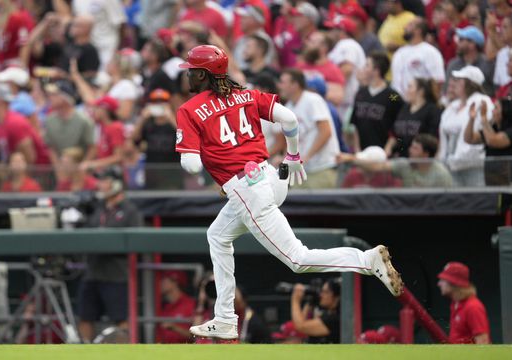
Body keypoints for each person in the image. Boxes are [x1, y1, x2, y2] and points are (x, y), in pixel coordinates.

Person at [175, 44, 403, 341]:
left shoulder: (189, 109)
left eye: (192, 70)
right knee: (217, 236)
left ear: (203, 75)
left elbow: (191, 165)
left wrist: (203, 152)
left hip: (247, 189)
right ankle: (225, 317)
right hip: (270, 176)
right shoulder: (246, 93)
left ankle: (365, 260)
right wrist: (294, 156)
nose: (187, 76)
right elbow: (290, 120)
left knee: (298, 259)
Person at [77, 166, 143, 343]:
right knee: (85, 316)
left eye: (104, 181)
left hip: (117, 275)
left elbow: (137, 241)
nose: (99, 185)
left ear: (116, 184)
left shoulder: (130, 211)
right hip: (92, 272)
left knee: (121, 319)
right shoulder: (97, 208)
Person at [278, 68, 340, 189]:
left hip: (321, 168)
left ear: (295, 85)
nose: (279, 86)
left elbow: (326, 131)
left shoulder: (312, 100)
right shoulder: (288, 107)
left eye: (283, 82)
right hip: (301, 171)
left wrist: (306, 156)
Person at [438, 66, 492, 186]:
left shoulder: (482, 101)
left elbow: (480, 134)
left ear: (469, 83)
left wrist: (460, 159)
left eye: (459, 80)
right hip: (449, 167)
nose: (454, 83)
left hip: (472, 167)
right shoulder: (453, 106)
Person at [338, 135, 454, 188]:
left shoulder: (441, 174)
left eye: (415, 148)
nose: (410, 150)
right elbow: (378, 167)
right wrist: (352, 159)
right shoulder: (404, 165)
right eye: (411, 147)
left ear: (426, 154)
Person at [350, 51, 404, 153]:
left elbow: (399, 123)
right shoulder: (361, 93)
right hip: (362, 152)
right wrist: (357, 148)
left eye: (367, 65)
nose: (363, 69)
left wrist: (388, 148)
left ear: (376, 70)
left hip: (383, 151)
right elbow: (355, 124)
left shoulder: (392, 95)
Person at [44, 80, 96, 168]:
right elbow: (50, 147)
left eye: (54, 95)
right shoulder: (49, 120)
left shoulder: (84, 120)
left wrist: (83, 167)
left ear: (65, 98)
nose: (50, 97)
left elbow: (92, 147)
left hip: (80, 171)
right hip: (60, 170)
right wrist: (58, 168)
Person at [391, 17, 445, 100]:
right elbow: (395, 84)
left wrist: (429, 104)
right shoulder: (399, 53)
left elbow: (438, 81)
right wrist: (393, 102)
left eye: (409, 25)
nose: (404, 27)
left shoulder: (430, 52)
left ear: (418, 30)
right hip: (399, 103)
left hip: (421, 102)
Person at [437, 262, 491, 344]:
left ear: (454, 283)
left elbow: (483, 343)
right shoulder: (456, 303)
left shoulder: (473, 307)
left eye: (443, 280)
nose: (439, 284)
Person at [388, 78, 441, 157]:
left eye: (410, 87)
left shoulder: (432, 110)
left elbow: (433, 139)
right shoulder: (404, 108)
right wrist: (388, 149)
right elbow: (394, 134)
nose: (407, 90)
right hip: (400, 157)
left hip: (419, 160)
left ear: (420, 91)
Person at [464, 98, 512, 185]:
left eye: (496, 108)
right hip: (492, 180)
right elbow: (469, 138)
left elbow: (492, 141)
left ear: (505, 111)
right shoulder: (492, 129)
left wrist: (483, 118)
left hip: (507, 182)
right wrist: (471, 119)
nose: (492, 111)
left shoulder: (510, 131)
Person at [444, 26, 493, 96]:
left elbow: (492, 91)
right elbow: (446, 91)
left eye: (461, 40)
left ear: (472, 44)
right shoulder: (453, 64)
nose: (457, 43)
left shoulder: (487, 64)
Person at [291, 278, 341, 344]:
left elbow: (301, 326)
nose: (321, 295)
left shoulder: (335, 319)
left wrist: (295, 300)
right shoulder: (328, 313)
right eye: (321, 291)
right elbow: (302, 321)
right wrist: (309, 303)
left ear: (336, 297)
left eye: (325, 292)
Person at [155, 270, 196, 344]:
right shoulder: (165, 309)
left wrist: (174, 327)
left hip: (188, 352)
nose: (159, 283)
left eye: (163, 279)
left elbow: (199, 336)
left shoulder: (191, 305)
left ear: (174, 282)